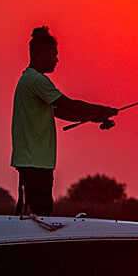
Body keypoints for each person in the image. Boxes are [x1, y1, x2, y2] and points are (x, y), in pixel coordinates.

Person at [11, 25, 117, 216]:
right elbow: (71, 104)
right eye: (54, 54)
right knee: (42, 212)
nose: (57, 59)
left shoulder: (29, 80)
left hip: (34, 160)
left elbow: (61, 111)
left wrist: (92, 117)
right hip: (35, 161)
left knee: (39, 211)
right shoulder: (37, 81)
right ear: (42, 54)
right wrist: (103, 109)